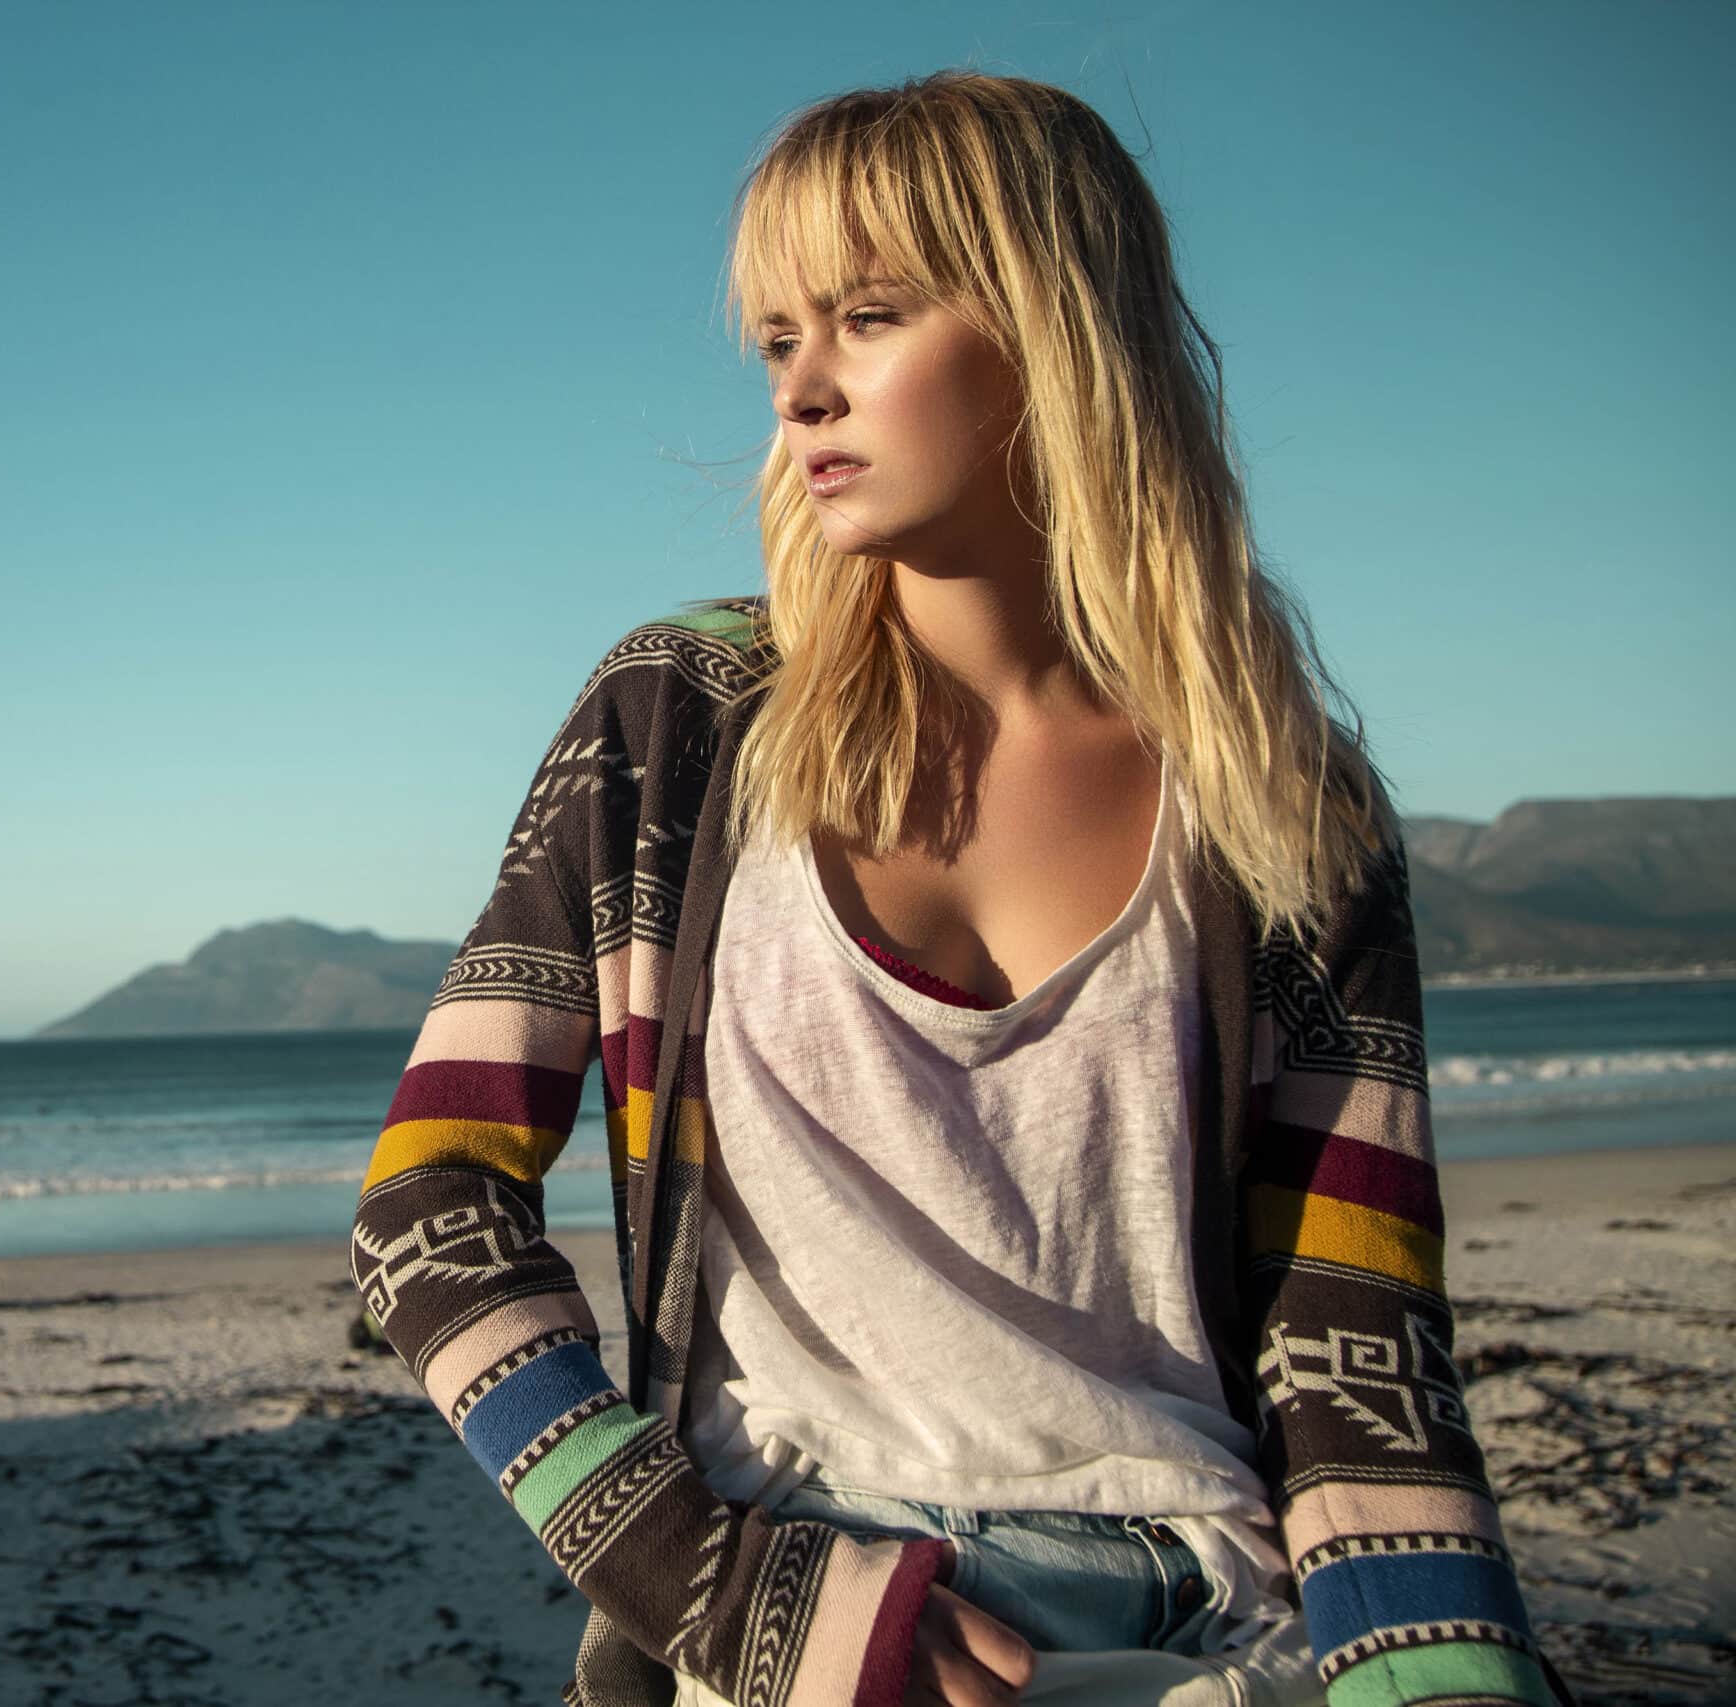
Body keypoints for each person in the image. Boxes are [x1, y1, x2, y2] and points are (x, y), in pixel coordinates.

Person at [350, 72, 1571, 1707]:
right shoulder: (684, 724)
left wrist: (1447, 1682)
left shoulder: (1290, 802)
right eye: (778, 340)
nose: (802, 395)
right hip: (819, 1601)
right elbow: (432, 1205)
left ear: (1056, 331)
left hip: (1225, 1627)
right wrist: (725, 1598)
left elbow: (1366, 1358)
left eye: (867, 316)